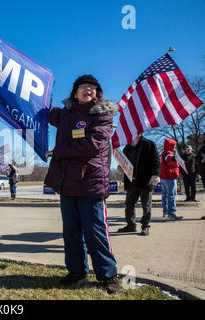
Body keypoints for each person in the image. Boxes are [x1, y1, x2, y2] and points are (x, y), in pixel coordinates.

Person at [44, 75, 120, 294]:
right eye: (83, 87)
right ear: (75, 92)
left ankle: (108, 275)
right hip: (67, 182)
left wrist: (58, 152)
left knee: (95, 231)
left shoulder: (103, 115)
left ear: (97, 93)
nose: (88, 90)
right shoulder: (65, 115)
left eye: (92, 87)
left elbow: (92, 146)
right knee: (71, 232)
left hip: (91, 182)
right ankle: (77, 272)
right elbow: (42, 111)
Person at [118, 134, 160, 236]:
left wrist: (155, 174)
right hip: (131, 181)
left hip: (145, 180)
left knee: (146, 206)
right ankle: (131, 225)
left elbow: (156, 161)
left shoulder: (149, 144)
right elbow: (123, 160)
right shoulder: (128, 146)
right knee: (129, 205)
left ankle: (145, 227)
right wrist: (120, 166)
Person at [160, 138, 182, 220]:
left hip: (163, 177)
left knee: (165, 195)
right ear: (170, 146)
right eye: (174, 145)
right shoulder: (169, 154)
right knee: (171, 195)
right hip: (170, 177)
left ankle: (165, 212)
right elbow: (170, 160)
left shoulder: (162, 154)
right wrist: (174, 159)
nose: (175, 147)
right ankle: (172, 213)